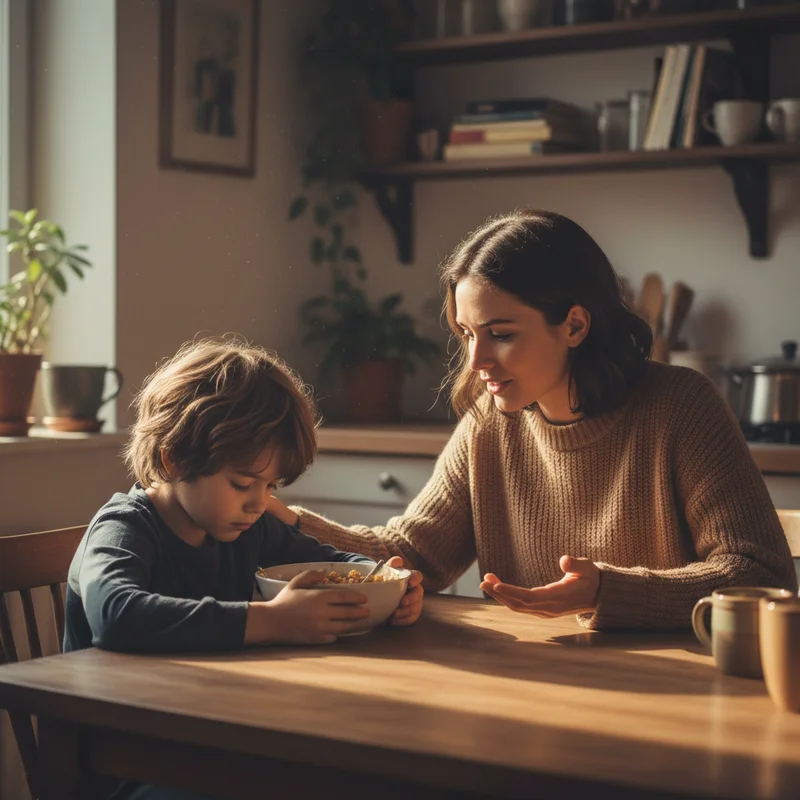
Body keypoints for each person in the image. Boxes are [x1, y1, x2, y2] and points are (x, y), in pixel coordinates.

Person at [268, 209, 797, 630]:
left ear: (574, 324)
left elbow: (762, 573)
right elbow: (410, 556)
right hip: (536, 685)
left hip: (676, 692)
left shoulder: (681, 405)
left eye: (500, 333)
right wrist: (281, 515)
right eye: (467, 334)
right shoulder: (489, 424)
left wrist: (609, 592)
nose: (476, 362)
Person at [64, 337, 423, 800]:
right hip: (129, 765)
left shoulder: (245, 527)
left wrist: (389, 583)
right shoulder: (125, 530)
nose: (261, 503)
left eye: (271, 485)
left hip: (214, 738)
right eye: (242, 483)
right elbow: (118, 615)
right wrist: (274, 619)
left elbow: (336, 562)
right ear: (174, 459)